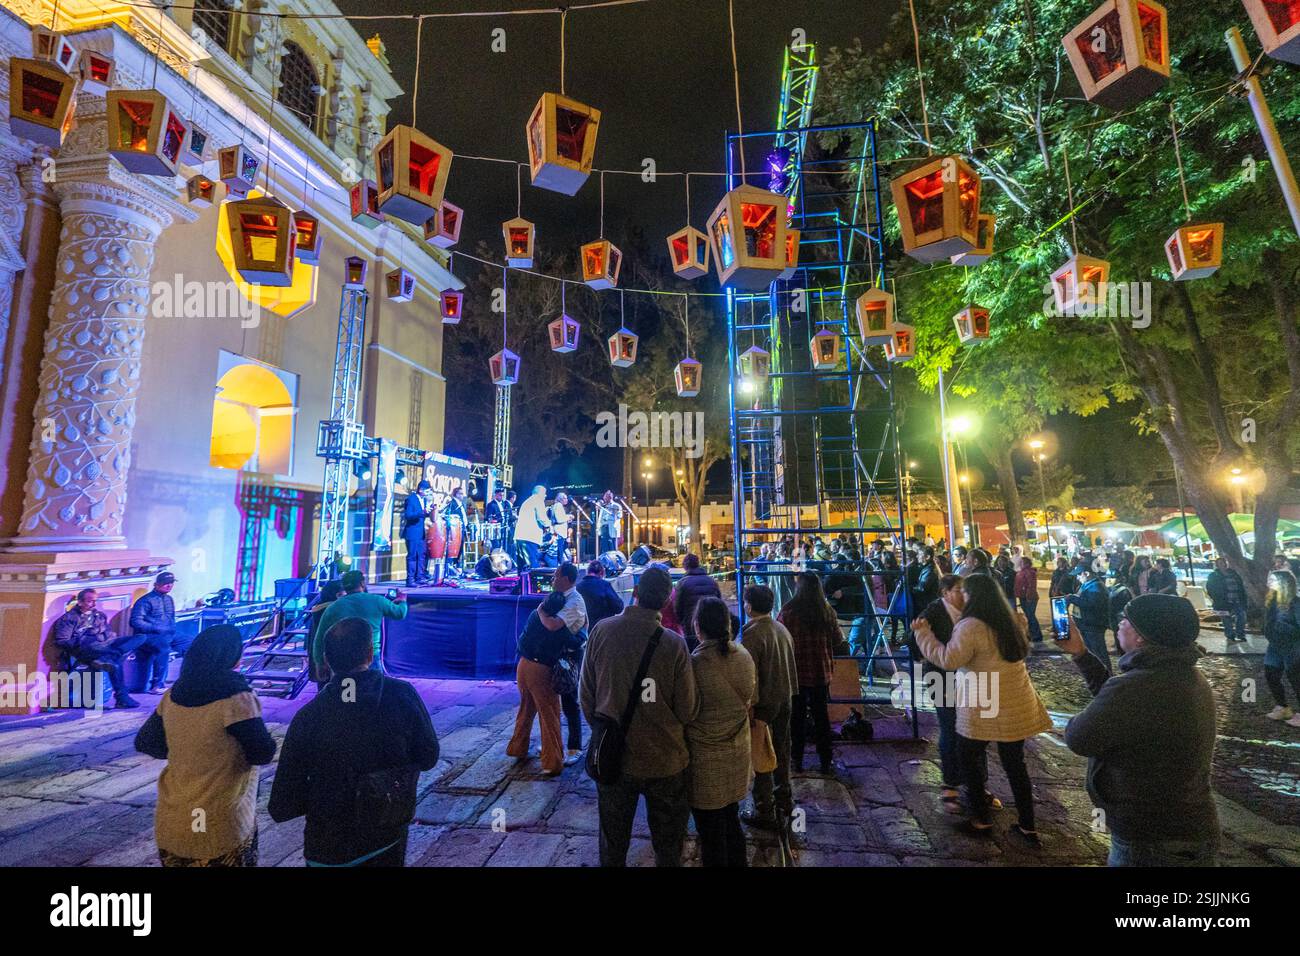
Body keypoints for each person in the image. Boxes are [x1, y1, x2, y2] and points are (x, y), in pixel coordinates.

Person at [1057, 594, 1220, 865]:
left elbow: (1078, 737)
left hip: (1151, 838)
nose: (1119, 624)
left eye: (1126, 620)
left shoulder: (1137, 687)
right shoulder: (1184, 675)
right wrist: (1081, 654)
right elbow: (1123, 707)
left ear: (1142, 636)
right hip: (1191, 825)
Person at [269, 618, 440, 866]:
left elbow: (282, 804)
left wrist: (330, 793)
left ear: (326, 659)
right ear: (370, 653)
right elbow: (428, 756)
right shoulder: (401, 695)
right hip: (383, 837)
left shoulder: (308, 717)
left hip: (326, 846)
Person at [911, 574, 1052, 844]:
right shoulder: (1012, 620)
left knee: (968, 756)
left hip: (984, 700)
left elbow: (947, 659)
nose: (962, 595)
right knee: (1015, 764)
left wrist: (923, 634)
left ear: (974, 596)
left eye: (965, 591)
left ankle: (980, 818)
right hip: (1016, 702)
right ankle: (1027, 824)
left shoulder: (971, 626)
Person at [579, 566, 699, 867]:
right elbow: (687, 709)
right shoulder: (674, 645)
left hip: (613, 757)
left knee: (613, 844)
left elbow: (586, 695)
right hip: (665, 759)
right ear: (666, 600)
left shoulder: (602, 631)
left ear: (635, 592)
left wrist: (604, 728)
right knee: (668, 845)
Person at [134, 625, 277, 866]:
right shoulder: (237, 698)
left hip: (174, 818)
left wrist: (190, 750)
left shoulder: (173, 694)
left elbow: (147, 742)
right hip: (219, 822)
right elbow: (262, 753)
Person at [685, 597, 755, 867]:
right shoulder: (743, 656)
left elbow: (687, 711)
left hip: (706, 762)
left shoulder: (696, 664)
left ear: (697, 626)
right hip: (738, 755)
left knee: (711, 834)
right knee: (731, 821)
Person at [739, 584, 797, 831]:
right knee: (782, 750)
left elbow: (749, 675)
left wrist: (750, 706)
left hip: (764, 704)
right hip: (785, 697)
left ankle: (764, 808)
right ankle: (784, 798)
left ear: (749, 606)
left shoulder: (752, 634)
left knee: (762, 755)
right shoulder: (780, 629)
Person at [507, 589, 577, 776]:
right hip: (541, 671)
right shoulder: (558, 627)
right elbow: (573, 643)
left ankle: (517, 748)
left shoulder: (533, 615)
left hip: (523, 666)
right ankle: (552, 762)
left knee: (526, 709)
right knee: (550, 715)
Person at [912, 575, 966, 809]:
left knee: (971, 730)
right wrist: (928, 653)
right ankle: (950, 782)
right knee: (949, 726)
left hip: (967, 677)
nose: (963, 594)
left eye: (964, 590)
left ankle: (975, 781)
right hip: (940, 677)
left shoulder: (971, 610)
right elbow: (913, 638)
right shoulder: (933, 611)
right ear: (945, 592)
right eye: (958, 590)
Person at [778, 572, 840, 774]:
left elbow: (780, 638)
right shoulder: (826, 611)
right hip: (821, 671)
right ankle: (825, 760)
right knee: (821, 716)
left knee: (796, 718)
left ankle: (796, 759)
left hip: (796, 672)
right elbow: (838, 639)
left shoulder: (788, 611)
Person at [47, 588, 141, 709]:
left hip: (105, 646)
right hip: (85, 649)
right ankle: (122, 698)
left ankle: (108, 657)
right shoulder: (70, 618)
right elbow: (62, 640)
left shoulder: (99, 616)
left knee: (140, 637)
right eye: (90, 601)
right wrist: (83, 641)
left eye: (95, 601)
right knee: (115, 664)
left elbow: (108, 633)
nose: (94, 604)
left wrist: (107, 638)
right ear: (80, 602)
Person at [536, 562, 588, 762]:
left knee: (569, 701)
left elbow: (553, 624)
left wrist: (541, 611)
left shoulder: (574, 601)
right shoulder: (561, 597)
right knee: (550, 701)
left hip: (569, 656)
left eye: (556, 575)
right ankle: (553, 742)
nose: (553, 579)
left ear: (567, 579)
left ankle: (575, 747)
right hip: (556, 653)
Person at [310, 571, 407, 677]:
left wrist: (319, 663)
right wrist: (402, 601)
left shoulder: (333, 607)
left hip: (343, 657)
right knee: (374, 690)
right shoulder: (377, 600)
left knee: (344, 691)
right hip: (370, 656)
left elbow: (319, 638)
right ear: (362, 584)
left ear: (344, 587)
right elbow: (400, 613)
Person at [129, 571, 193, 693]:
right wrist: (156, 628)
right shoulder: (145, 601)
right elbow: (135, 622)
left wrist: (171, 629)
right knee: (163, 647)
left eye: (171, 583)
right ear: (156, 584)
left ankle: (188, 678)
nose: (169, 586)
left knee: (192, 643)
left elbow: (171, 619)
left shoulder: (169, 599)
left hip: (168, 634)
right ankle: (157, 685)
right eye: (165, 583)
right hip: (148, 636)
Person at [1263, 570, 1300, 726]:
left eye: (1272, 580)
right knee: (1270, 673)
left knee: (1296, 679)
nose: (1269, 582)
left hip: (1292, 645)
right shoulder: (1273, 601)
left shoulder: (1295, 603)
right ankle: (1282, 707)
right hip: (1275, 644)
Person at [1065, 566, 1113, 675]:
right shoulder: (1089, 585)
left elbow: (1092, 605)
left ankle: (1107, 675)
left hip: (1093, 625)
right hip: (1087, 624)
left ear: (1086, 573)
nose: (1077, 577)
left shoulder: (1096, 587)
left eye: (1079, 574)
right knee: (1093, 652)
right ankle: (1098, 674)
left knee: (1098, 652)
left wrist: (1072, 598)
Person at [673, 553, 722, 650]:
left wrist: (682, 622)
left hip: (690, 623)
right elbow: (719, 602)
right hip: (711, 622)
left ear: (685, 566)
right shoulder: (711, 581)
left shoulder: (682, 583)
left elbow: (678, 607)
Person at [304, 579, 344, 689]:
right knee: (343, 695)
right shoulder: (334, 610)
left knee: (323, 690)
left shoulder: (319, 608)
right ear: (338, 594)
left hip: (319, 658)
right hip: (330, 658)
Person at [1206, 557, 1249, 644]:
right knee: (1226, 619)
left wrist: (1243, 597)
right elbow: (1209, 588)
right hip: (1223, 601)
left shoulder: (1233, 573)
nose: (1223, 564)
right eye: (1220, 563)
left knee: (1241, 616)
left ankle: (1240, 634)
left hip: (1236, 599)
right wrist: (1216, 597)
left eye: (1224, 562)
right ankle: (1230, 635)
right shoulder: (1214, 575)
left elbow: (1240, 585)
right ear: (1217, 565)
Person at [577, 559, 624, 630]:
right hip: (603, 629)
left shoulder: (578, 587)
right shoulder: (604, 585)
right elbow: (618, 607)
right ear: (601, 572)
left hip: (584, 631)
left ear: (587, 572)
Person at [402, 481, 432, 586]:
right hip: (412, 532)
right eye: (427, 491)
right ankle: (410, 580)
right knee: (412, 556)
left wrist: (428, 511)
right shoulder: (411, 499)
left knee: (421, 555)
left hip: (421, 533)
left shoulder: (423, 500)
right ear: (421, 490)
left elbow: (423, 515)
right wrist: (422, 512)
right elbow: (408, 515)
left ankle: (420, 577)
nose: (428, 493)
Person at [514, 485, 551, 570]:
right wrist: (550, 524)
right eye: (545, 493)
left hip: (520, 537)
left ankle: (522, 583)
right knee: (531, 566)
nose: (545, 496)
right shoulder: (538, 500)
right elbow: (542, 518)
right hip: (529, 538)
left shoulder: (527, 501)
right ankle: (532, 583)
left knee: (522, 566)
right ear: (540, 493)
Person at [441, 486, 470, 576]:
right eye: (461, 494)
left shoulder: (461, 504)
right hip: (455, 531)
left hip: (461, 529)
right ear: (456, 494)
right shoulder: (452, 504)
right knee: (454, 550)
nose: (463, 495)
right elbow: (448, 515)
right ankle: (450, 569)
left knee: (460, 550)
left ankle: (458, 568)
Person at [1014, 556, 1044, 643]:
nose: (1020, 563)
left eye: (1022, 562)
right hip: (1023, 597)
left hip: (1029, 597)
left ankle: (1037, 635)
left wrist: (1029, 596)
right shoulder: (1022, 571)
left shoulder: (1029, 572)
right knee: (1029, 616)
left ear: (1027, 563)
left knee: (1030, 616)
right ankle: (1032, 634)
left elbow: (1031, 585)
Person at [548, 491, 574, 566]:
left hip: (559, 532)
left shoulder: (557, 505)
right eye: (565, 498)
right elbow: (559, 519)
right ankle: (560, 570)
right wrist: (569, 516)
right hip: (559, 533)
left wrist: (566, 518)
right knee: (560, 553)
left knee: (560, 552)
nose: (567, 500)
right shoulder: (558, 505)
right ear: (561, 499)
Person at [596, 490, 623, 554]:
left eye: (606, 497)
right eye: (604, 497)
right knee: (604, 547)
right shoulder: (603, 507)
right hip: (603, 528)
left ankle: (613, 561)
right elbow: (600, 518)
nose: (604, 498)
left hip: (612, 528)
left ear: (610, 497)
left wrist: (609, 516)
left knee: (612, 547)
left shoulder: (616, 506)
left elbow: (619, 516)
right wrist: (598, 527)